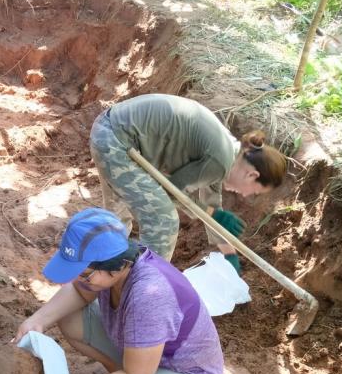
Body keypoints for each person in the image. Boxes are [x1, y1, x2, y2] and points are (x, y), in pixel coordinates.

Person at [14, 208, 224, 374]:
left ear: (116, 265)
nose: (80, 279)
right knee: (68, 317)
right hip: (139, 351)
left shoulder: (150, 294)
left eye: (86, 273)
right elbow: (78, 291)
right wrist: (37, 320)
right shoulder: (119, 268)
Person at [90, 94, 288, 271]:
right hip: (115, 141)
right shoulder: (219, 162)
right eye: (254, 192)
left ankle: (102, 264)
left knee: (118, 212)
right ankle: (144, 286)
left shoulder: (228, 152)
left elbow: (211, 203)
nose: (245, 195)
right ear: (252, 175)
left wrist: (229, 253)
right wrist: (213, 214)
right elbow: (172, 190)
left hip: (110, 128)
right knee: (163, 220)